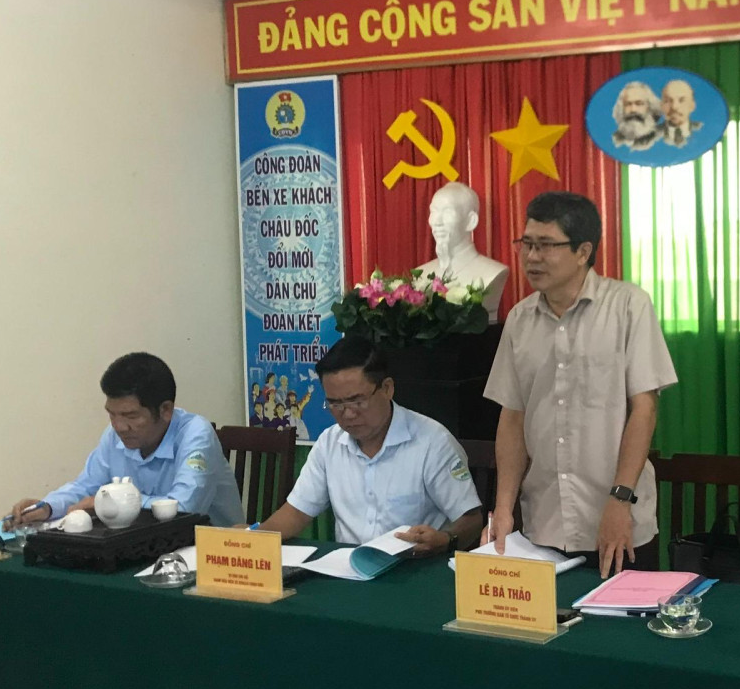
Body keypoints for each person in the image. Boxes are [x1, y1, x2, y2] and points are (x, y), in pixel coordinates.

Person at [484, 191, 677, 576]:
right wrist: (503, 508)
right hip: (543, 522)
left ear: (583, 251)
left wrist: (620, 500)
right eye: (526, 244)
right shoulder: (519, 320)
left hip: (617, 521)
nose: (532, 257)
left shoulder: (628, 306)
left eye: (546, 245)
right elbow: (513, 418)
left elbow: (644, 410)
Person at [254, 335, 482, 554]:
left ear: (387, 388)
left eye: (357, 401)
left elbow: (471, 519)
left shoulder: (432, 442)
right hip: (348, 568)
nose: (348, 414)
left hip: (414, 567)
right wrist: (251, 539)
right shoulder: (329, 443)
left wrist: (446, 540)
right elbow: (297, 512)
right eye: (335, 404)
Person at [8, 352, 244, 528]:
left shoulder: (195, 433)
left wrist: (109, 502)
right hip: (142, 550)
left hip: (211, 555)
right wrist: (48, 507)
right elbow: (86, 486)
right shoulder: (114, 435)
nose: (119, 426)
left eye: (131, 416)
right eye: (112, 414)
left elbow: (184, 508)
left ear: (165, 410)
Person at [417, 182, 511, 321]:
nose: (436, 221)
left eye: (447, 212)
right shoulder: (421, 274)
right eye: (433, 212)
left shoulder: (493, 272)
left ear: (471, 221)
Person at [610, 81, 662, 151]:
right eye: (628, 104)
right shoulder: (615, 140)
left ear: (650, 107)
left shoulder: (661, 138)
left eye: (639, 104)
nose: (633, 110)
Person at [658, 79, 702, 147]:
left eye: (681, 100)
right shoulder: (653, 133)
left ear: (692, 105)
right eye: (668, 101)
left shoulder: (702, 129)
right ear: (661, 106)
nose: (674, 107)